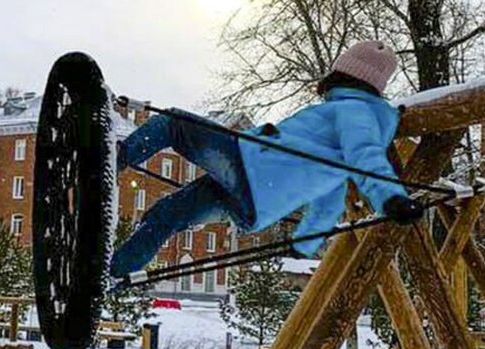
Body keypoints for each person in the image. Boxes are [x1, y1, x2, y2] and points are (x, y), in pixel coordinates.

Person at [110, 40, 423, 279]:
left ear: (346, 74)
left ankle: (111, 160)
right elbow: (330, 196)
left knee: (174, 124)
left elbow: (365, 155)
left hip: (250, 171)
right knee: (167, 214)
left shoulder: (354, 111)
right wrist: (304, 242)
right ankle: (111, 273)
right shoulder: (346, 121)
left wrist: (391, 198)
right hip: (254, 206)